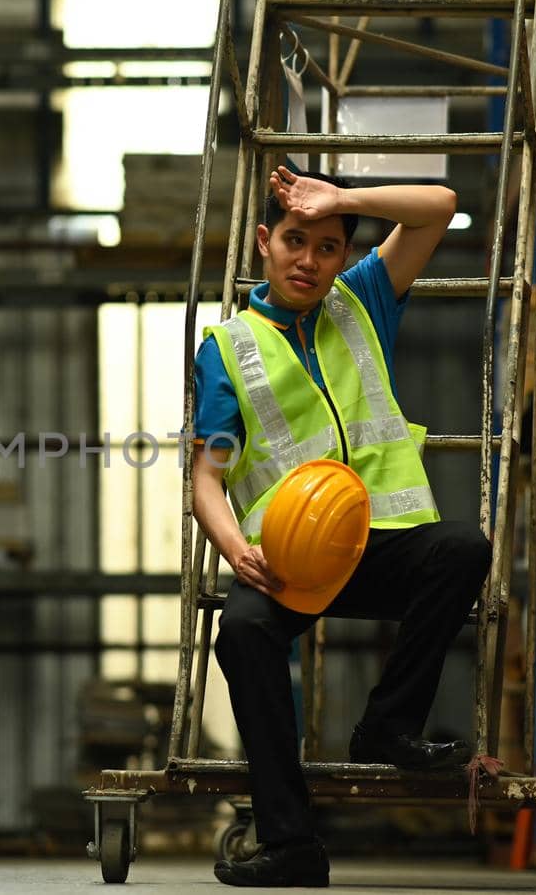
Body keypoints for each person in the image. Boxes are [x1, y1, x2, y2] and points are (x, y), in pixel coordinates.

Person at [192, 167, 492, 888]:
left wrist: (344, 202)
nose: (310, 260)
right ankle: (291, 840)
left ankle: (386, 726)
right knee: (242, 630)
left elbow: (442, 206)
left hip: (382, 543)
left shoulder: (363, 301)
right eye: (295, 240)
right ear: (264, 243)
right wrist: (236, 548)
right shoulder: (229, 347)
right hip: (289, 560)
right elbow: (208, 476)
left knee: (463, 548)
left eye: (327, 247)